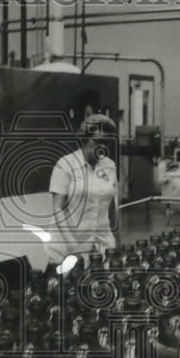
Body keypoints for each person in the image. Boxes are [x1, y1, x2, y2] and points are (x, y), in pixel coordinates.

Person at [46, 113, 119, 270]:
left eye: (106, 143)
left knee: (100, 289)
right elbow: (57, 209)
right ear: (85, 138)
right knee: (67, 290)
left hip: (100, 244)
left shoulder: (110, 166)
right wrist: (73, 246)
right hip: (66, 244)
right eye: (98, 141)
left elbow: (112, 206)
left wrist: (115, 239)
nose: (103, 147)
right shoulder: (65, 165)